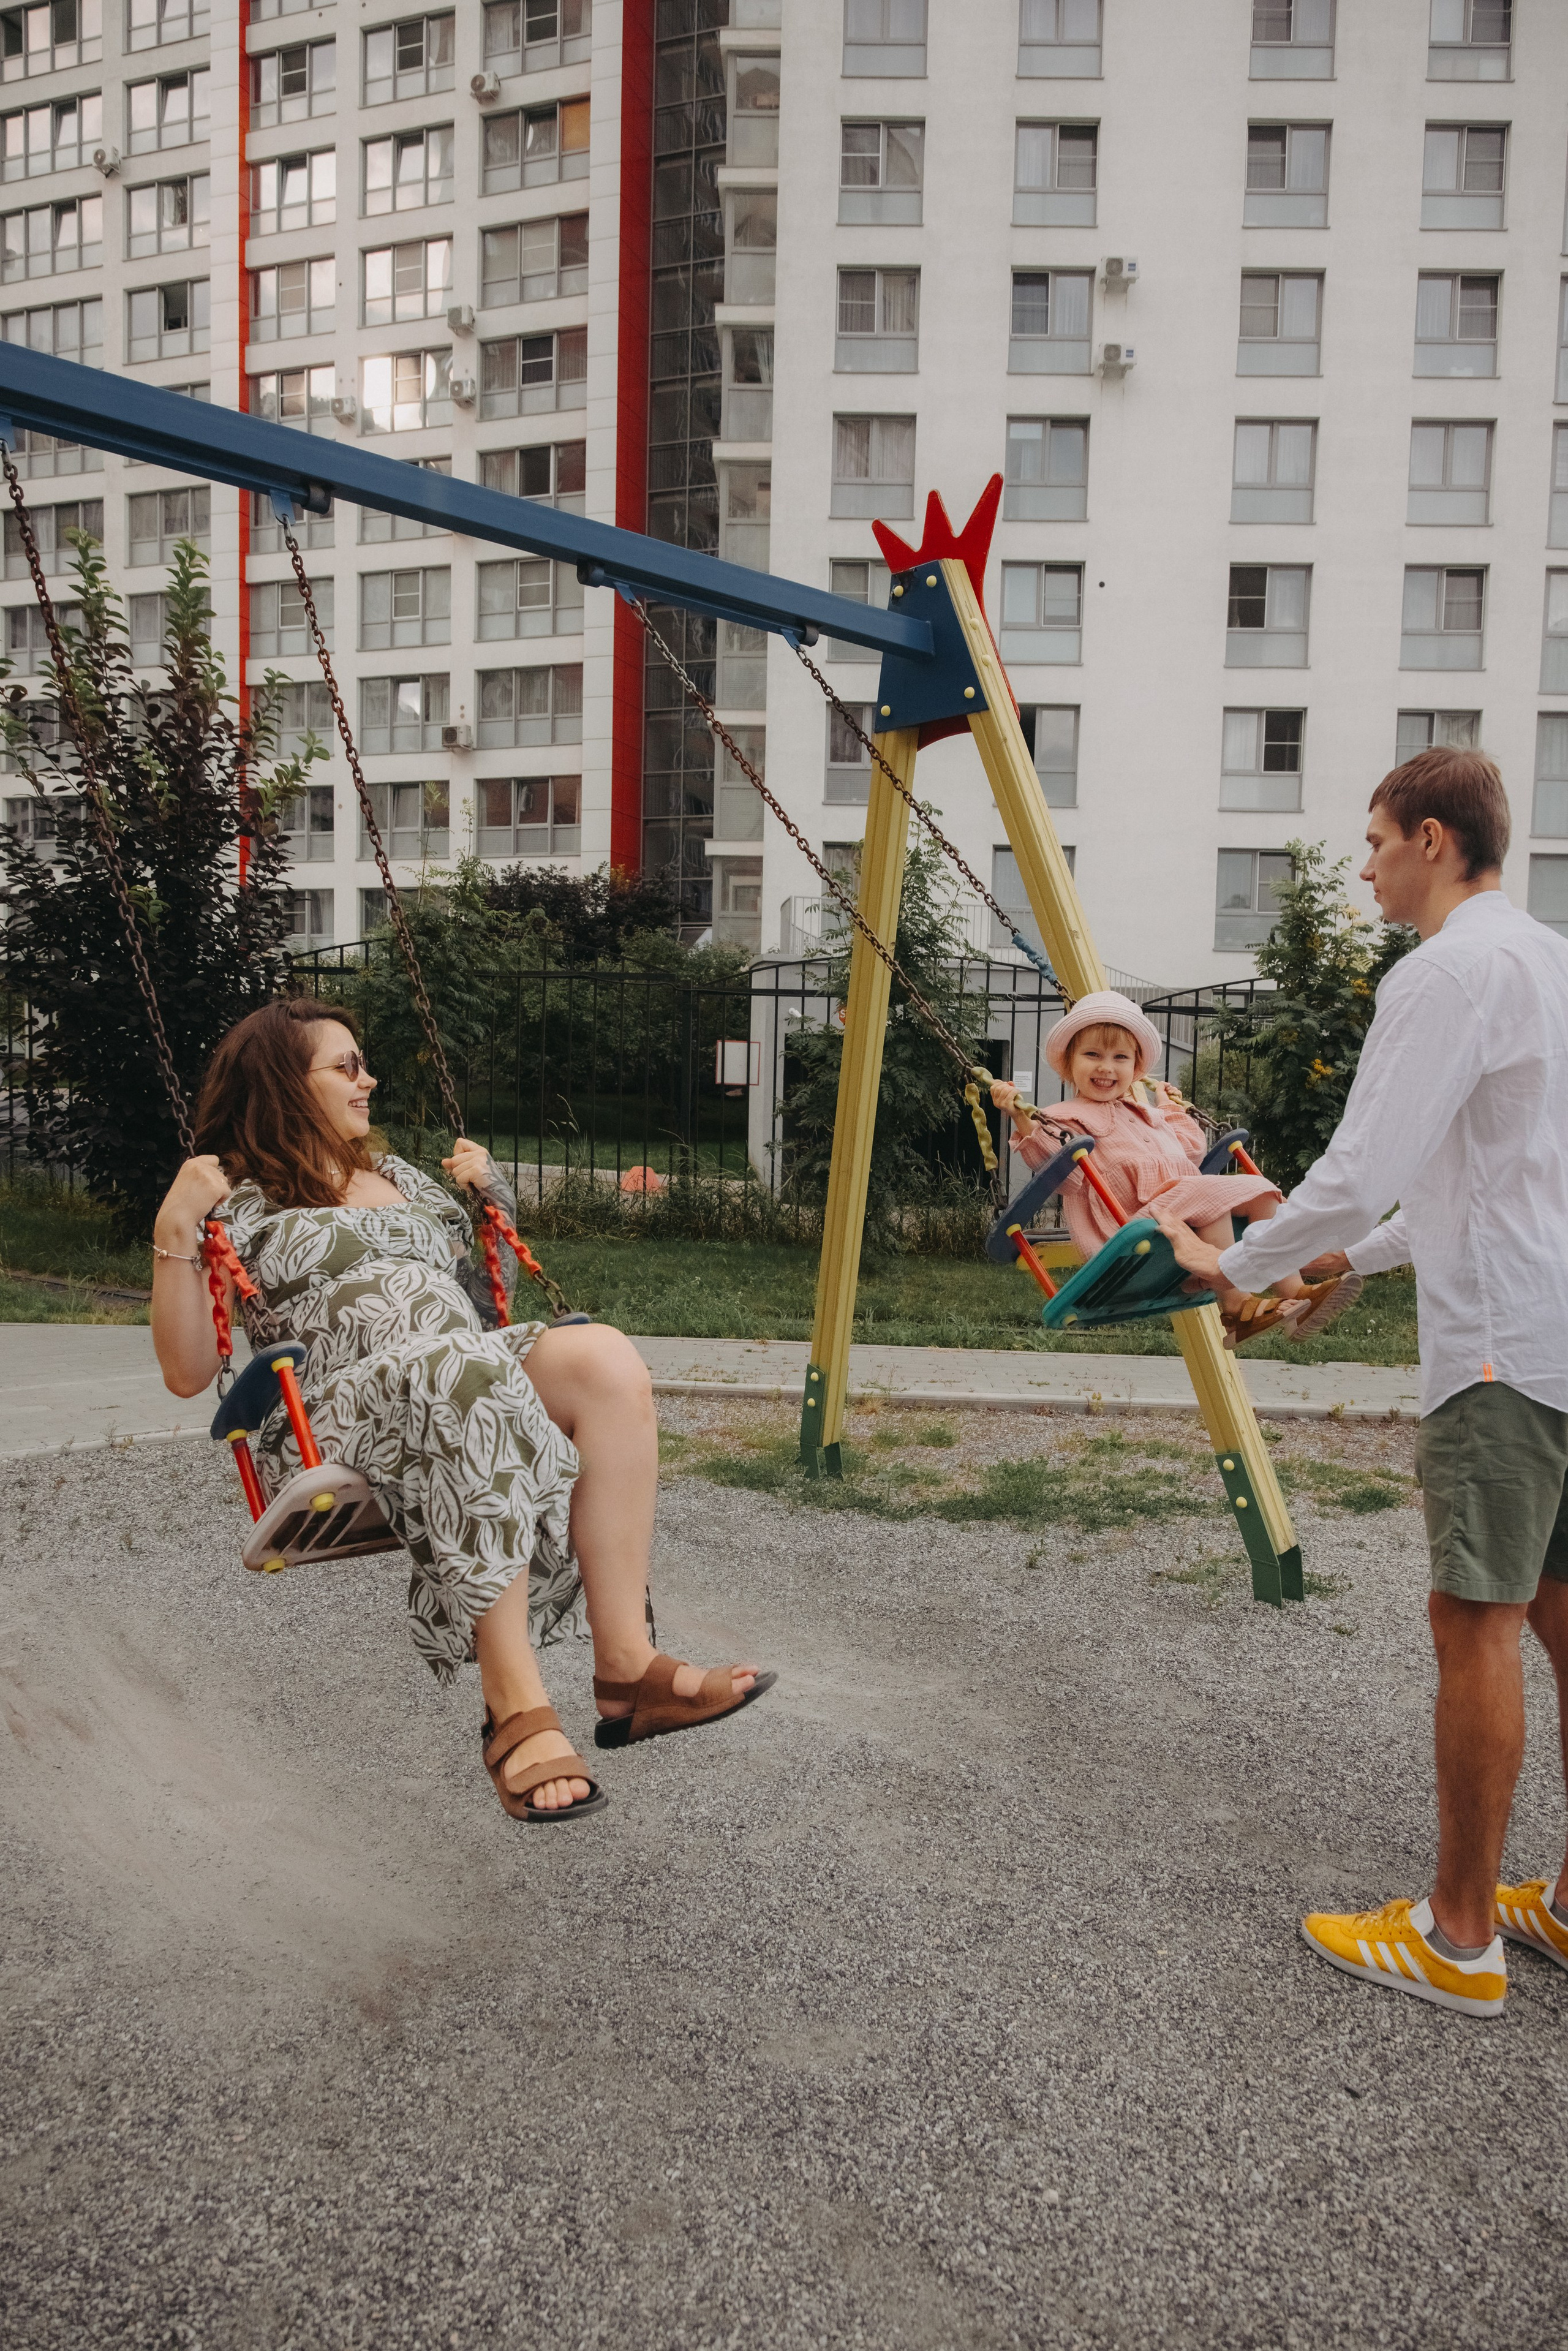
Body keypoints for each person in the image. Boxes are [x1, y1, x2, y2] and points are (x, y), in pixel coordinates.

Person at [1154, 745, 1568, 2018]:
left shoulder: (1441, 971)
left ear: (1434, 838)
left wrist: (1234, 1262)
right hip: (1556, 1324)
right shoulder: (1545, 960)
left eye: (1376, 838)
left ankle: (1455, 1935)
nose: (1365, 862)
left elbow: (1357, 1164)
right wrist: (1344, 1262)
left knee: (1475, 1618)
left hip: (1499, 1349)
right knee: (1558, 1614)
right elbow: (1475, 1176)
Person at [150, 997, 773, 1826]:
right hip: (342, 1400)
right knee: (459, 1371)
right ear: (282, 1084)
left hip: (459, 1366)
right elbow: (189, 1370)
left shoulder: (403, 1177)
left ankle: (626, 1667)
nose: (367, 1079)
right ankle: (513, 1700)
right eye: (346, 1066)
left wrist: (493, 1205)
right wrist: (176, 1222)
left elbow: (484, 1307)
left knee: (607, 1361)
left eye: (362, 1062)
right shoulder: (238, 1197)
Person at [990, 991, 1362, 1347]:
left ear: (1136, 1068)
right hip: (1132, 1221)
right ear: (1069, 1063)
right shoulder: (1060, 1117)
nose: (1106, 1067)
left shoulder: (1145, 1113)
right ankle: (1235, 1306)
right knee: (1207, 1194)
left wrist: (1169, 1109)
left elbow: (1191, 1149)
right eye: (1092, 1054)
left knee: (1260, 1190)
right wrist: (1021, 1120)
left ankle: (1296, 1293)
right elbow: (1063, 1176)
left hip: (1182, 1204)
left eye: (1120, 1058)